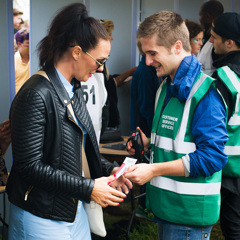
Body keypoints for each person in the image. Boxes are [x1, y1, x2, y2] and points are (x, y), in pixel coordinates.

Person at [6, 3, 132, 240]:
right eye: (99, 60)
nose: (101, 68)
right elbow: (29, 167)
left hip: (71, 210)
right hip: (40, 215)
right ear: (76, 52)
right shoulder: (36, 93)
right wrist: (90, 188)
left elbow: (80, 153)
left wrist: (111, 170)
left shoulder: (71, 89)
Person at [125, 11, 228, 240]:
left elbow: (212, 157)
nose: (148, 62)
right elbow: (178, 143)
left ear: (177, 46)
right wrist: (148, 144)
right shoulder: (165, 88)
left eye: (153, 53)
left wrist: (153, 170)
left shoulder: (205, 93)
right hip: (168, 209)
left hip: (188, 215)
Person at [209, 12, 240, 240]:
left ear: (229, 43)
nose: (210, 41)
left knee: (233, 229)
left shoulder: (224, 77)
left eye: (214, 37)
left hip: (231, 170)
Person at [197, 0, 224, 75]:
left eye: (200, 16)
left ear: (208, 17)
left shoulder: (218, 44)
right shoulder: (205, 38)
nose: (199, 19)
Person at [14, 28, 30, 93]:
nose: (30, 45)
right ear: (19, 43)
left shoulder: (36, 60)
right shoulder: (13, 61)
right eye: (28, 43)